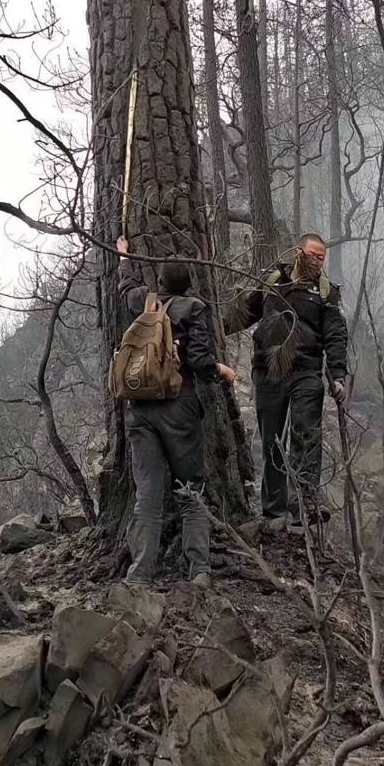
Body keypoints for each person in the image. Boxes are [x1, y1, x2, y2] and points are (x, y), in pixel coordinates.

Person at [116, 237, 236, 587]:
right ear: (189, 284)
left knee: (148, 496)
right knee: (190, 490)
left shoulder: (145, 303)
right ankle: (199, 570)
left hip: (139, 409)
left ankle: (139, 576)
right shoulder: (194, 308)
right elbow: (198, 360)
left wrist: (125, 257)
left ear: (162, 283)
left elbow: (128, 288)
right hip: (179, 408)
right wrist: (221, 370)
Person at [223, 232, 347, 530]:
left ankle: (304, 506)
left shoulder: (326, 292)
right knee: (271, 440)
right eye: (313, 255)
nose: (318, 261)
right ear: (298, 253)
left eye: (322, 257)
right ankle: (274, 511)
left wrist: (338, 375)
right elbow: (242, 315)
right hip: (268, 370)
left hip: (307, 370)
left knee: (306, 435)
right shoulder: (273, 282)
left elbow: (335, 334)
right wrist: (214, 331)